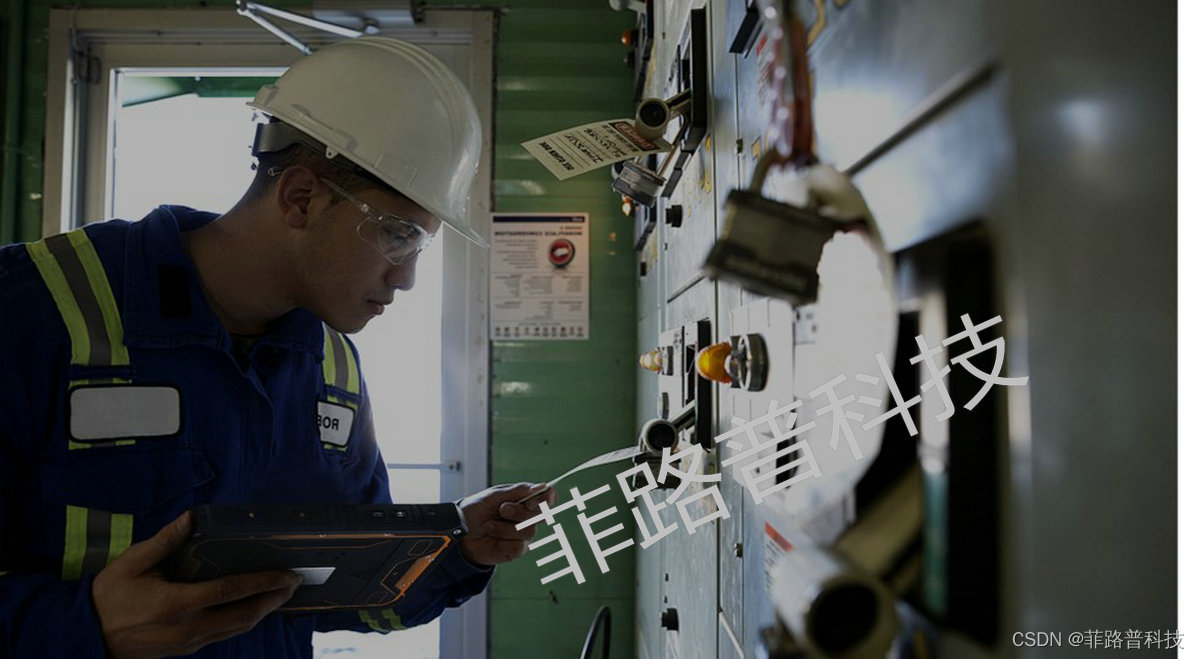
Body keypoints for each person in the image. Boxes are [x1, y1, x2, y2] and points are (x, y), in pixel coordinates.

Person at [0, 37, 554, 657]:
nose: (406, 278)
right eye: (397, 236)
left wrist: (455, 549)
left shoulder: (332, 366)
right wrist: (85, 626)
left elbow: (346, 589)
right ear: (301, 198)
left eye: (420, 246)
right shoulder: (31, 311)